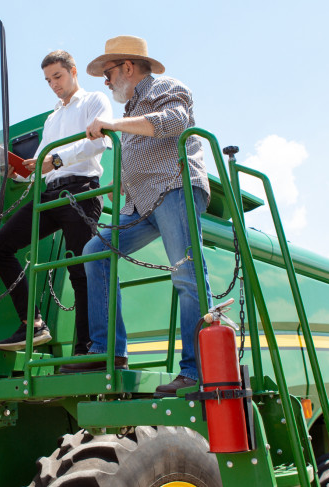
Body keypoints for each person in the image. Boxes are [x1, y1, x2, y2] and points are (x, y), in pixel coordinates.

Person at [60, 36, 212, 398]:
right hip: (142, 202)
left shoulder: (166, 87)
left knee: (186, 275)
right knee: (96, 251)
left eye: (108, 73)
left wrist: (111, 125)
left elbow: (172, 123)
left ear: (128, 67)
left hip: (175, 187)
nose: (107, 82)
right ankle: (107, 351)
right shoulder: (130, 112)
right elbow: (142, 151)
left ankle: (196, 372)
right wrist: (122, 183)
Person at [0, 50, 112, 353]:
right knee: (1, 246)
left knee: (79, 271)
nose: (54, 84)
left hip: (80, 193)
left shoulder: (94, 101)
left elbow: (98, 142)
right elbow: (41, 166)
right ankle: (32, 325)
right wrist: (18, 173)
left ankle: (86, 350)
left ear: (73, 71)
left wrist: (55, 160)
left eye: (57, 76)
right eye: (48, 80)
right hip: (49, 194)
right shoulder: (52, 118)